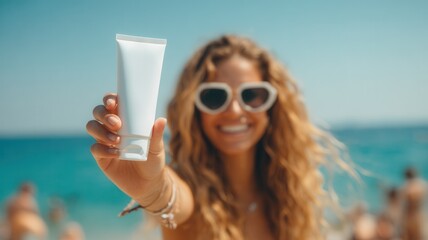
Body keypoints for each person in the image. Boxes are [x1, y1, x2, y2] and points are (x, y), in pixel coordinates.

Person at [86, 35, 354, 240]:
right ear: (194, 109)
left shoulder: (289, 195)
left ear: (273, 106)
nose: (235, 110)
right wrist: (153, 188)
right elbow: (172, 199)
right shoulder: (192, 196)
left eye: (252, 95)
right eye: (215, 96)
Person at [401, 167, 426, 240]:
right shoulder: (423, 185)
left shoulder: (406, 187)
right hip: (420, 213)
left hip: (410, 215)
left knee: (409, 236)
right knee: (420, 235)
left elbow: (404, 204)